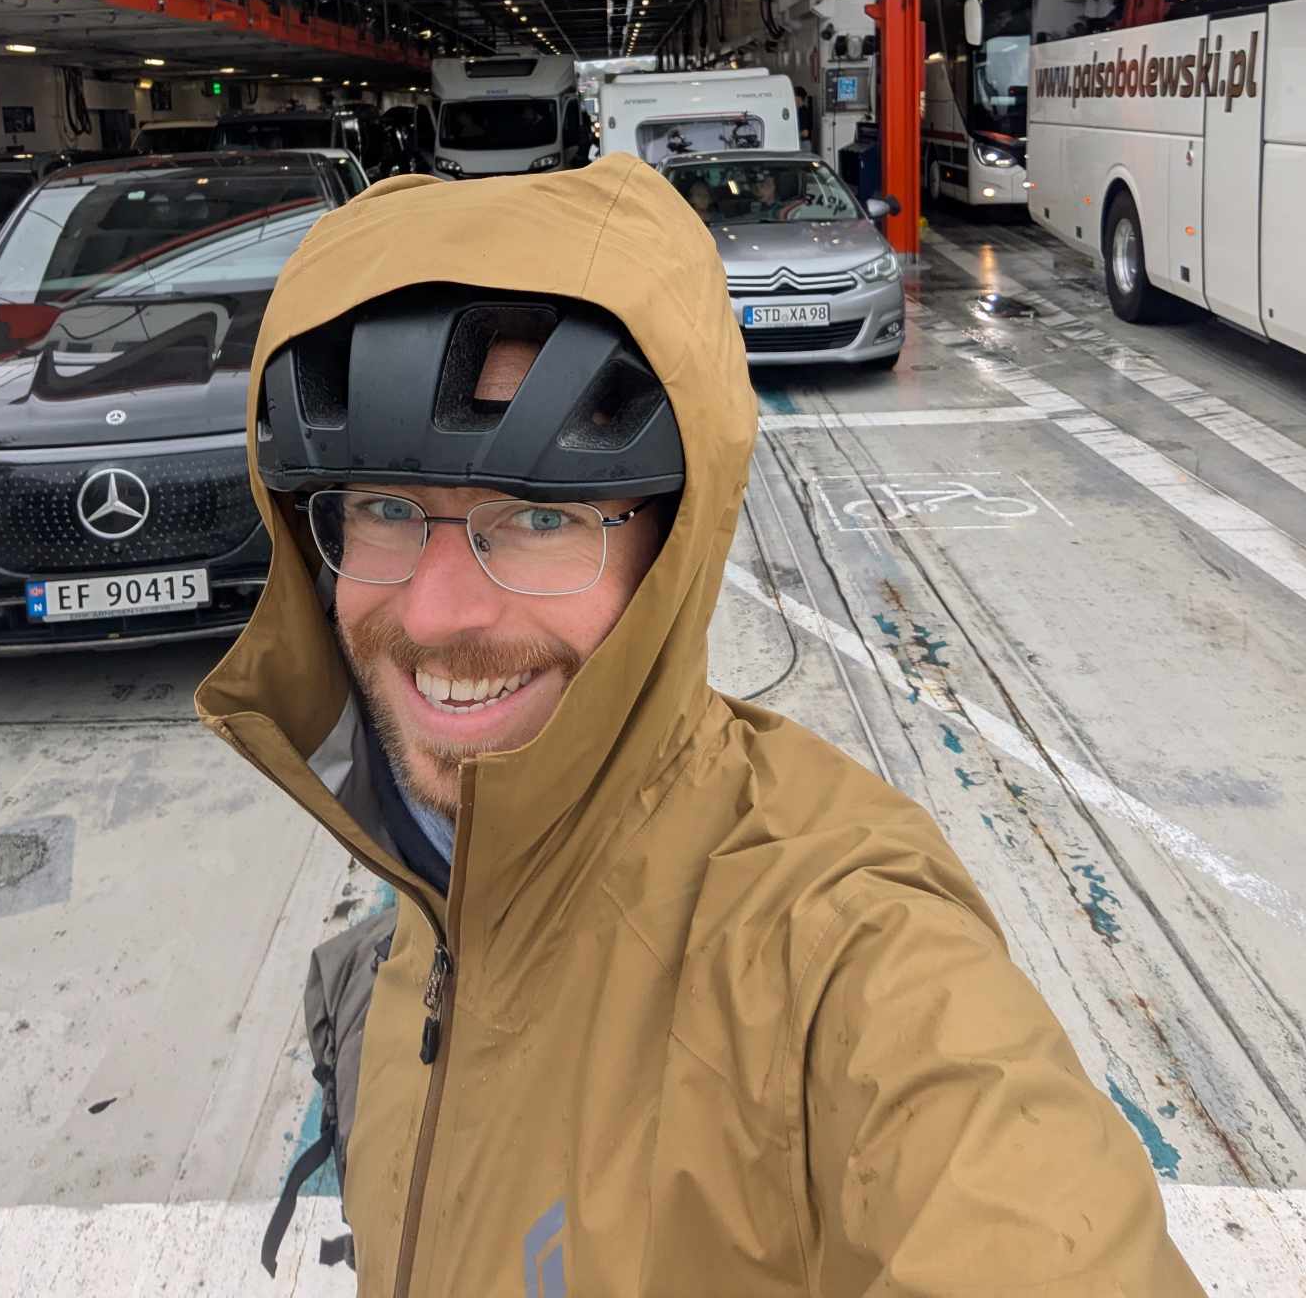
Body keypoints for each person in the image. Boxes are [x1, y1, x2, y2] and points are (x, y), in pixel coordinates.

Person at [198, 154, 1203, 1297]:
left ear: (672, 553)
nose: (433, 614)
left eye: (538, 518)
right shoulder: (412, 913)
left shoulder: (836, 948)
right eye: (384, 509)